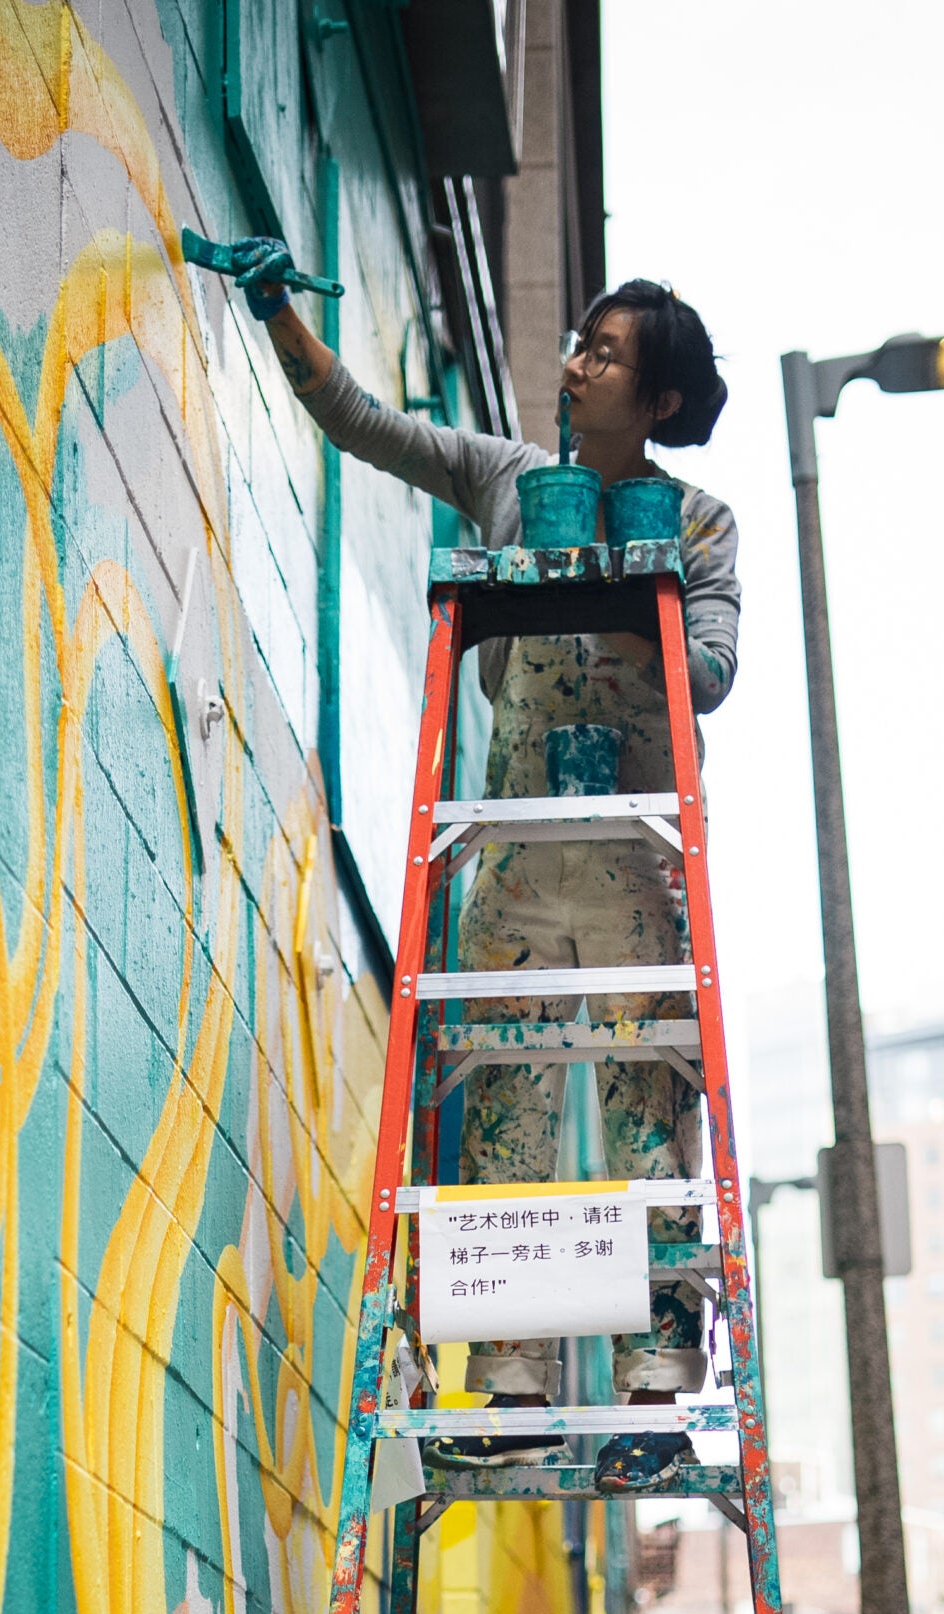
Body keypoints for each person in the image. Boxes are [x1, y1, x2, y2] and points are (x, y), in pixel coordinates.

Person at [233, 246, 739, 1493]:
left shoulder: (702, 523)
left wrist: (636, 577)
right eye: (578, 342)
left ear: (659, 401)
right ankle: (505, 1388)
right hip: (512, 851)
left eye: (605, 355)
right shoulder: (509, 477)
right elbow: (362, 422)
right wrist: (276, 313)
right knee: (504, 1101)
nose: (574, 364)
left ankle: (656, 1395)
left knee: (642, 1107)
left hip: (634, 856)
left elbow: (712, 676)